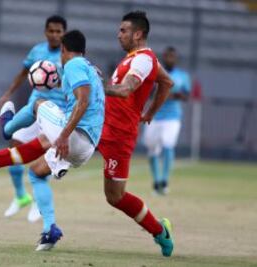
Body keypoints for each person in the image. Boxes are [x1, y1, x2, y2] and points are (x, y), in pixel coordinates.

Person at [0, 30, 105, 251]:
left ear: (64, 50)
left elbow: (82, 102)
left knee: (38, 104)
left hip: (74, 135)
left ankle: (7, 126)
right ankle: (49, 230)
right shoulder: (91, 70)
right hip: (86, 148)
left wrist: (65, 135)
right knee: (36, 172)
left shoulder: (74, 65)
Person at [99, 11, 175, 257]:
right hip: (103, 127)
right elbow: (166, 82)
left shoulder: (143, 60)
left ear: (138, 34)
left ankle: (159, 230)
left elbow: (124, 91)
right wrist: (150, 112)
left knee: (115, 196)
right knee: (57, 143)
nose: (118, 34)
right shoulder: (137, 58)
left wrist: (94, 86)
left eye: (123, 30)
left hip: (120, 135)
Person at [0, 15, 67, 220]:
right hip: (33, 109)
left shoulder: (67, 56)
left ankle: (38, 202)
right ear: (45, 32)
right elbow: (22, 73)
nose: (54, 35)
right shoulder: (37, 51)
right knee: (14, 145)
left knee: (45, 158)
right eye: (51, 31)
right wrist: (8, 94)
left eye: (58, 31)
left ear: (64, 33)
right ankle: (20, 196)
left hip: (55, 114)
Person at [143, 46, 191, 195]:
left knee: (168, 145)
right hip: (155, 116)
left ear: (176, 58)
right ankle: (157, 181)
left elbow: (186, 96)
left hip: (172, 117)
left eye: (173, 56)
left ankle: (164, 180)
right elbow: (148, 92)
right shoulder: (155, 74)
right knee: (152, 149)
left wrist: (171, 95)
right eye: (167, 56)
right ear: (163, 57)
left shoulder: (182, 76)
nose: (170, 59)